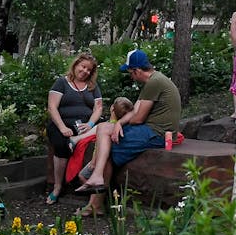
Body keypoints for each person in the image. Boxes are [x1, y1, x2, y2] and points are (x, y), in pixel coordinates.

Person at [77, 49, 181, 218]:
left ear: (137, 70)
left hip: (156, 133)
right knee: (104, 127)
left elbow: (138, 118)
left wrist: (120, 124)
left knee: (108, 147)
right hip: (151, 129)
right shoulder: (154, 80)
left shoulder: (154, 83)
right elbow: (135, 109)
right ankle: (95, 177)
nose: (131, 77)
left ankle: (95, 202)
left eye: (131, 73)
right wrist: (118, 122)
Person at [46, 52, 102, 205]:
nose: (85, 71)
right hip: (61, 124)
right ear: (76, 65)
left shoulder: (92, 86)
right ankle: (57, 187)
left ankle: (84, 181)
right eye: (83, 67)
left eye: (89, 70)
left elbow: (98, 108)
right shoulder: (61, 83)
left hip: (84, 126)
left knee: (103, 129)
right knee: (60, 144)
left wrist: (90, 124)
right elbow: (52, 107)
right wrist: (63, 127)